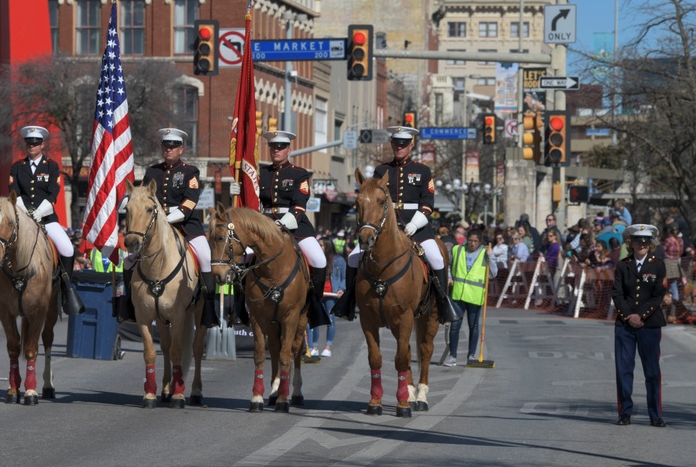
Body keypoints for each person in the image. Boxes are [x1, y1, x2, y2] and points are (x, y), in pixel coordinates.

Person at [332, 126, 459, 324]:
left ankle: (443, 304)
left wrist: (415, 224)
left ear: (411, 145)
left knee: (436, 258)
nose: (399, 147)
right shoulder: (381, 171)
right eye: (396, 143)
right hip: (386, 228)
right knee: (353, 257)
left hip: (416, 227)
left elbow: (427, 204)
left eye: (403, 144)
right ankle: (349, 300)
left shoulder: (423, 171)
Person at [230, 130, 331, 328]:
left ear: (289, 150)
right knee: (244, 259)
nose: (276, 150)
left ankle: (313, 306)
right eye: (273, 147)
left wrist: (282, 223)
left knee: (319, 259)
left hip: (295, 225)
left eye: (281, 147)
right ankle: (240, 306)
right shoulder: (261, 174)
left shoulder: (299, 174)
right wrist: (239, 190)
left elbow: (300, 204)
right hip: (264, 225)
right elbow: (251, 198)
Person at [122, 128, 217, 327]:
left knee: (206, 257)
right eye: (165, 146)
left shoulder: (190, 172)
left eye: (173, 147)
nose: (168, 150)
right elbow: (142, 196)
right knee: (129, 260)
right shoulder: (152, 171)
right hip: (155, 227)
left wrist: (166, 219)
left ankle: (208, 308)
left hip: (186, 225)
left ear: (181, 149)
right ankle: (129, 305)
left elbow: (190, 203)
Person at [9, 125, 83, 314]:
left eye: (35, 143)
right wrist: (25, 212)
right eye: (29, 143)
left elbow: (53, 193)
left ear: (42, 144)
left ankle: (67, 288)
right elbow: (14, 192)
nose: (31, 146)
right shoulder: (18, 167)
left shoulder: (51, 166)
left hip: (47, 218)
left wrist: (39, 212)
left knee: (67, 248)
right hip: (23, 217)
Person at [611, 224, 667, 427]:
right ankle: (625, 412)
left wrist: (641, 315)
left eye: (646, 241)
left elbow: (658, 294)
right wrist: (628, 316)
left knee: (652, 371)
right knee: (623, 370)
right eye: (638, 240)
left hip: (649, 323)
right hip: (625, 324)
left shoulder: (658, 265)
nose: (642, 244)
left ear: (650, 244)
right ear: (631, 243)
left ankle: (656, 414)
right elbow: (617, 293)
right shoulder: (623, 265)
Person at [443, 229, 498, 367]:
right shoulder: (457, 249)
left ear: (480, 241)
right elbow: (449, 266)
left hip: (474, 296)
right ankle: (452, 356)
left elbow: (493, 274)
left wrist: (491, 257)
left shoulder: (486, 253)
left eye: (475, 241)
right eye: (470, 240)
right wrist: (449, 278)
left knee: (473, 326)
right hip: (458, 294)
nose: (472, 244)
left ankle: (471, 355)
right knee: (455, 326)